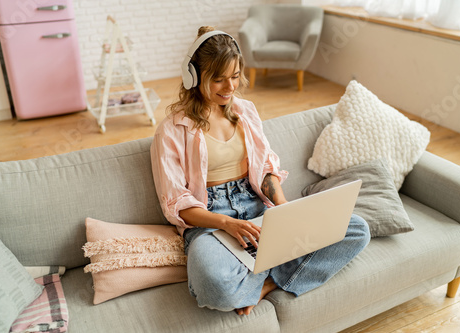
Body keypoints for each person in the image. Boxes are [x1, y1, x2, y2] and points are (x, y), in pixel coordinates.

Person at [150, 26, 370, 316]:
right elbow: (176, 203)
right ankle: (276, 271)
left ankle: (267, 283)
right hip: (210, 220)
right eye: (218, 79)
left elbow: (266, 168)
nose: (230, 88)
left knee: (356, 229)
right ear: (193, 76)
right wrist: (228, 224)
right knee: (213, 285)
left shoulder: (246, 111)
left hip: (257, 207)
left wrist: (285, 210)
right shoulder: (171, 129)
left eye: (235, 76)